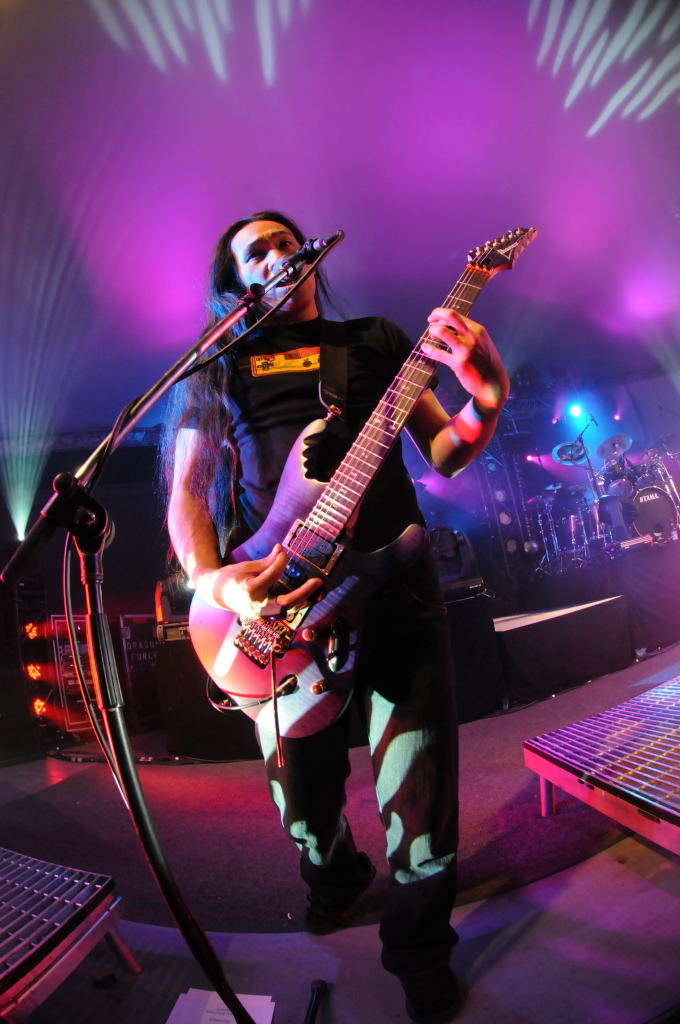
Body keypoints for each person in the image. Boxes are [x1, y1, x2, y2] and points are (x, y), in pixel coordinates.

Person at [162, 210, 509, 1023]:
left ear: (312, 255)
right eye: (257, 252)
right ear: (238, 287)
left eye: (287, 241)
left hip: (396, 585)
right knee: (306, 804)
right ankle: (335, 876)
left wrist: (487, 396)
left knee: (421, 788)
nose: (279, 256)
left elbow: (444, 450)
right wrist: (217, 585)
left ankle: (420, 952)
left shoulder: (375, 340)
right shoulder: (217, 369)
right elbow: (188, 497)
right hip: (281, 608)